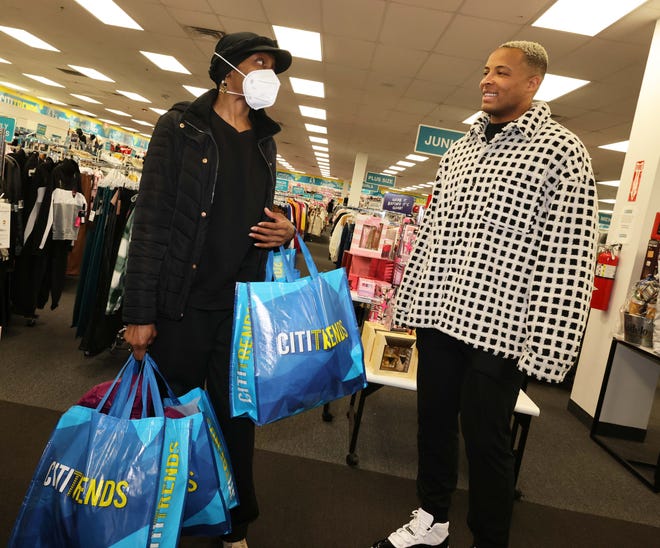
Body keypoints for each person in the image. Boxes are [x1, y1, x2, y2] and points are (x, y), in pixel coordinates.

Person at [371, 41, 598, 548]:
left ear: (533, 83)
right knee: (431, 424)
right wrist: (410, 304)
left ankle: (489, 539)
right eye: (485, 71)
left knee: (487, 442)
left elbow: (569, 256)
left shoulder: (561, 151)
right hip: (440, 314)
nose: (486, 80)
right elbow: (434, 232)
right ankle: (432, 519)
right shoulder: (461, 149)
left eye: (502, 72)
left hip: (502, 328)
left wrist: (545, 347)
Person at [122, 31, 295, 548]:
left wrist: (285, 230)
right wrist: (139, 310)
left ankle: (234, 525)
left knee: (235, 420)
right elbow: (150, 221)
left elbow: (254, 214)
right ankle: (148, 518)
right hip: (181, 305)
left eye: (273, 66)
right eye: (258, 62)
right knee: (166, 416)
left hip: (238, 308)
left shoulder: (265, 141)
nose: (268, 72)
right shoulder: (181, 127)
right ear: (226, 69)